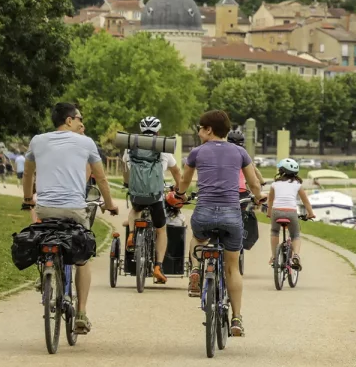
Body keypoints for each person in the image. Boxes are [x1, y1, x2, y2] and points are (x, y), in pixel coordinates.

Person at [22, 102, 119, 335]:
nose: (81, 123)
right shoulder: (86, 143)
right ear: (68, 120)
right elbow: (101, 178)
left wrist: (28, 199)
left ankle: (46, 271)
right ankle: (82, 313)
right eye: (79, 119)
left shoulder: (37, 140)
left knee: (46, 234)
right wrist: (109, 204)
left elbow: (28, 173)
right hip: (74, 210)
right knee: (82, 259)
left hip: (45, 208)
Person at [178, 110, 261, 336]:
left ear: (209, 130)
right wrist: (259, 197)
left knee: (197, 237)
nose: (198, 131)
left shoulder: (196, 152)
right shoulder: (240, 152)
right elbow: (253, 183)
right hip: (231, 215)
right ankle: (236, 318)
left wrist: (179, 194)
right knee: (232, 267)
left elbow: (185, 180)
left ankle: (195, 268)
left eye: (200, 127)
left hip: (204, 212)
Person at [121, 116, 182, 284]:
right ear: (158, 131)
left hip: (137, 193)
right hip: (155, 196)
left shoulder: (131, 147)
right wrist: (178, 188)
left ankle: (132, 234)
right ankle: (158, 266)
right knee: (161, 230)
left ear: (141, 131)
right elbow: (176, 172)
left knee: (135, 210)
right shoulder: (163, 148)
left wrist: (127, 184)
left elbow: (125, 169)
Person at [266, 158, 317, 271]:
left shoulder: (275, 184)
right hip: (291, 212)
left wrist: (269, 213)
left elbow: (270, 201)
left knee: (274, 232)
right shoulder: (297, 185)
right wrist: (311, 214)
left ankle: (274, 256)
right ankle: (296, 256)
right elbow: (305, 201)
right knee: (295, 235)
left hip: (276, 211)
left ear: (281, 171)